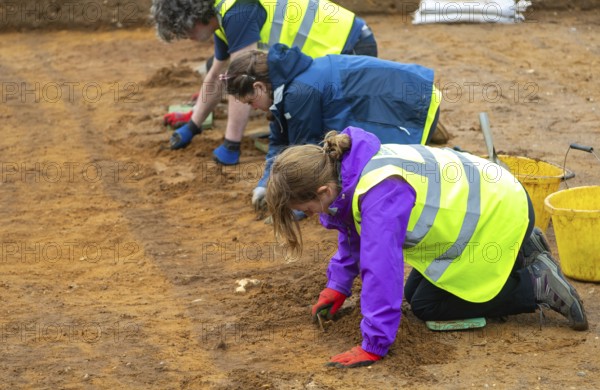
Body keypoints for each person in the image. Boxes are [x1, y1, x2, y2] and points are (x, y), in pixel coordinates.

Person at [265, 126, 588, 368]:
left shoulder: (378, 196)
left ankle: (535, 286)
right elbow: (352, 232)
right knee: (417, 295)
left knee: (429, 307)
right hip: (493, 199)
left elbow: (381, 270)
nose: (310, 216)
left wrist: (374, 345)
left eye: (306, 210)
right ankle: (523, 248)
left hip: (499, 214)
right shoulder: (347, 168)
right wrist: (338, 285)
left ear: (322, 190)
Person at [150, 0, 378, 164]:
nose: (185, 37)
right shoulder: (223, 21)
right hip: (329, 56)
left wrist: (232, 144)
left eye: (184, 30)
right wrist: (193, 125)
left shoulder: (237, 11)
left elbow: (243, 82)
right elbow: (216, 78)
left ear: (194, 15)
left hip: (350, 47)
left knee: (333, 134)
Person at [222, 43, 442, 211]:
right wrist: (265, 184)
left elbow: (306, 156)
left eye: (250, 102)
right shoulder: (285, 87)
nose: (254, 108)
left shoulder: (299, 94)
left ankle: (447, 156)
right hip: (409, 95)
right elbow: (280, 140)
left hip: (413, 104)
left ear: (259, 87)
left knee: (386, 173)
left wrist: (296, 204)